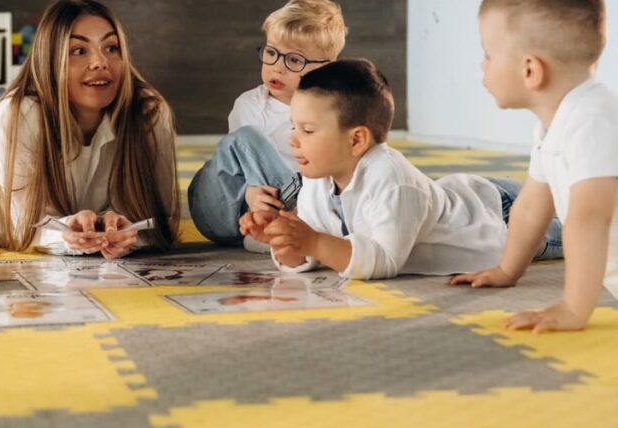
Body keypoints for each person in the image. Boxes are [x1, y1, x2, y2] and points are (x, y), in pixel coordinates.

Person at [241, 59, 563, 279]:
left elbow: (384, 260)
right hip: (457, 197)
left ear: (356, 140)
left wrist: (313, 242)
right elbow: (311, 254)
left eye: (307, 130)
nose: (293, 140)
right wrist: (284, 242)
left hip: (497, 219)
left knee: (589, 228)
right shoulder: (317, 177)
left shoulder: (390, 177)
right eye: (294, 127)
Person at [450, 0, 618, 332]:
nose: (483, 65)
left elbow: (589, 220)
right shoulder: (552, 123)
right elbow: (531, 205)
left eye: (488, 54)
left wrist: (573, 309)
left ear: (530, 71)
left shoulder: (593, 120)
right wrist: (508, 269)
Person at [0, 0, 180, 258]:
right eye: (79, 51)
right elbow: (21, 226)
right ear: (50, 61)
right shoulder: (16, 115)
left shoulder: (149, 112)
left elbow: (160, 217)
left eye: (111, 48)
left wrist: (126, 230)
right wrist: (65, 236)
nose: (100, 62)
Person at [188, 0, 347, 252]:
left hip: (294, 205)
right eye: (271, 53)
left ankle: (278, 230)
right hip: (228, 205)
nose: (277, 68)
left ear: (326, 69)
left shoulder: (332, 111)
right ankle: (287, 221)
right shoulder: (250, 105)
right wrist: (252, 193)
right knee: (244, 139)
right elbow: (238, 159)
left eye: (294, 60)